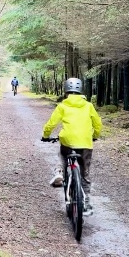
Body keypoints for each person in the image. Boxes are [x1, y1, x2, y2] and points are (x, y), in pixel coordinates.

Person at [41, 77, 102, 215]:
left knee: (63, 154)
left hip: (68, 140)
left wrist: (45, 136)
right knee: (84, 173)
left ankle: (59, 172)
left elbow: (51, 123)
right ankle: (86, 203)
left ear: (66, 90)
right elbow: (97, 124)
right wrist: (95, 135)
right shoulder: (88, 106)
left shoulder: (62, 106)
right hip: (85, 142)